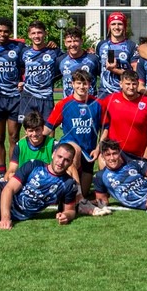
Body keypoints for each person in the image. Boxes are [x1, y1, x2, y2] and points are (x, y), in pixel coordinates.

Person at [44, 70, 104, 200]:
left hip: (89, 151)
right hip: (70, 147)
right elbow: (48, 127)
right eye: (78, 83)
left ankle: (76, 194)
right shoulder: (64, 104)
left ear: (90, 85)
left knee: (85, 191)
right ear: (72, 84)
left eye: (85, 83)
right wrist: (32, 138)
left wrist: (98, 148)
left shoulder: (98, 104)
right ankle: (69, 194)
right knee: (74, 151)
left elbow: (105, 128)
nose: (81, 87)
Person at [0, 17, 25, 178]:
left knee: (14, 137)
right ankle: (2, 174)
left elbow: (28, 62)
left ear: (11, 32)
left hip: (15, 98)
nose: (2, 34)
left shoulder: (19, 47)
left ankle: (12, 172)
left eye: (6, 31)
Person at [100, 69, 147, 160]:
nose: (131, 87)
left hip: (139, 155)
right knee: (102, 161)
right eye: (128, 84)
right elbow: (102, 123)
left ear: (138, 85)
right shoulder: (110, 100)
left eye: (134, 84)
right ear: (121, 84)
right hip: (116, 155)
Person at [20, 20, 62, 122]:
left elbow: (61, 70)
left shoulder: (54, 51)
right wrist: (20, 81)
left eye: (39, 32)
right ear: (29, 35)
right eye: (33, 33)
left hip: (46, 96)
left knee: (49, 129)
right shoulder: (24, 52)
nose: (37, 36)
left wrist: (50, 81)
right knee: (29, 129)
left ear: (45, 33)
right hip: (28, 96)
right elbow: (20, 68)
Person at [95, 11, 139, 98]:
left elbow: (136, 74)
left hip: (124, 93)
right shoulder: (101, 45)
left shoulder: (132, 46)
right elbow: (98, 69)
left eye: (120, 24)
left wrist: (115, 70)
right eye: (113, 24)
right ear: (109, 27)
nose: (116, 27)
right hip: (104, 92)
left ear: (125, 27)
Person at [5, 112, 56, 180]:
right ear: (26, 131)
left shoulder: (52, 144)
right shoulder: (20, 146)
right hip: (25, 183)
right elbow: (11, 169)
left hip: (47, 182)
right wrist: (9, 176)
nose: (34, 134)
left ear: (43, 128)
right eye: (31, 131)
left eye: (37, 130)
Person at [57, 27, 101, 98]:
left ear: (81, 41)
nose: (72, 44)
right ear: (65, 43)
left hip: (90, 104)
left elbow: (104, 76)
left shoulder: (93, 59)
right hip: (69, 105)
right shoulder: (60, 60)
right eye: (69, 41)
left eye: (75, 41)